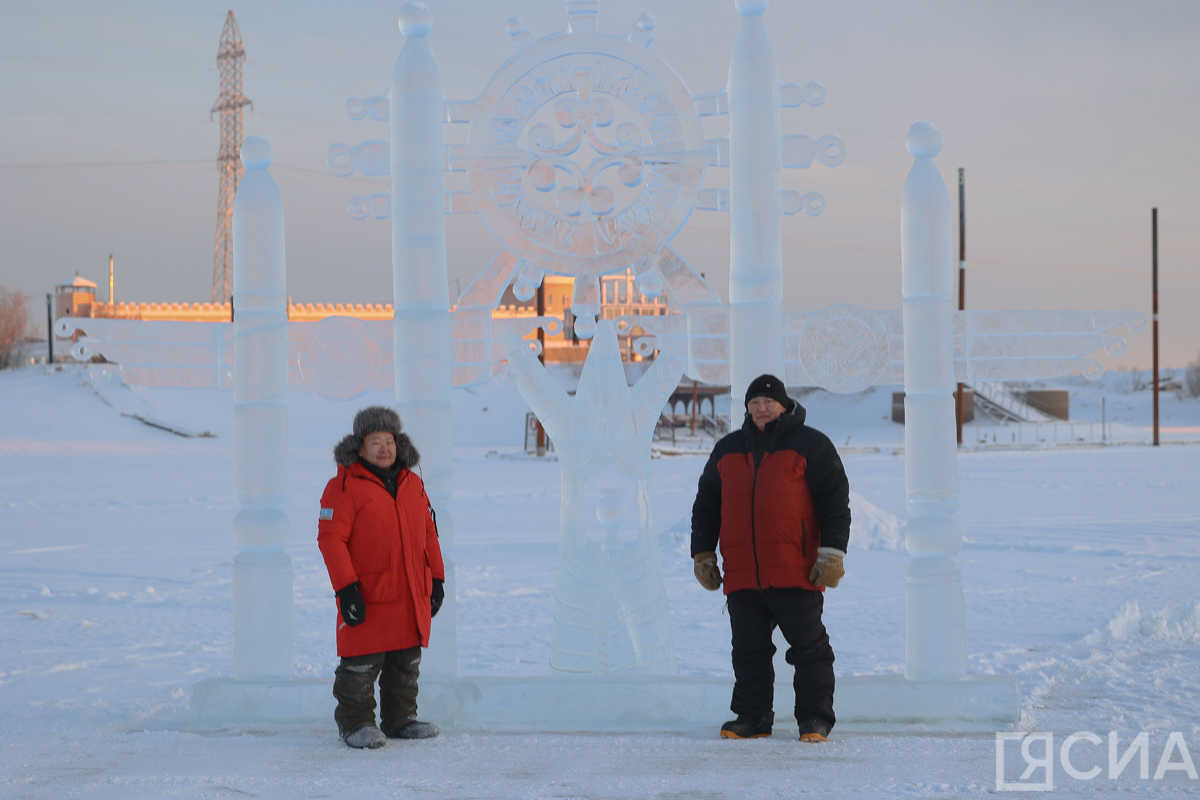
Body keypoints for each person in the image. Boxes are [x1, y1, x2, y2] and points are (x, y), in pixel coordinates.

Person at [690, 374, 850, 742]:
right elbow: (706, 505)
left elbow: (835, 504)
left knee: (809, 651)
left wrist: (832, 553)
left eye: (768, 402)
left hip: (796, 571)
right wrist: (703, 554)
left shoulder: (812, 444)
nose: (761, 409)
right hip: (743, 573)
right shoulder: (727, 449)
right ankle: (752, 718)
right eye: (754, 403)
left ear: (783, 405)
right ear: (747, 408)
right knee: (748, 651)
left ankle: (814, 719)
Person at [317, 405, 446, 749]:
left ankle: (400, 720)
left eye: (388, 440)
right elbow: (331, 539)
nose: (384, 448)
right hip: (368, 593)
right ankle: (355, 724)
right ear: (360, 447)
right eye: (376, 441)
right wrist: (346, 588)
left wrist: (436, 579)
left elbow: (428, 534)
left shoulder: (412, 482)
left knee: (405, 662)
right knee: (361, 663)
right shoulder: (343, 486)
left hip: (409, 592)